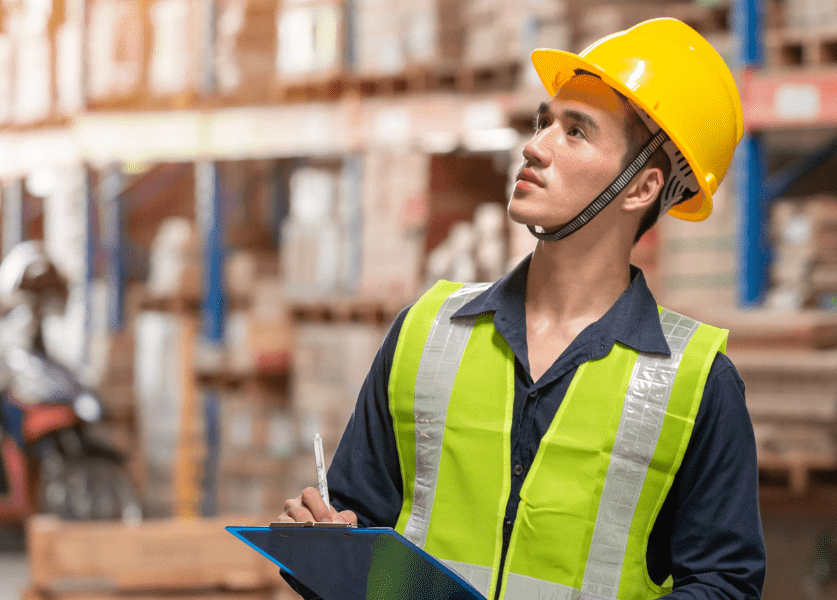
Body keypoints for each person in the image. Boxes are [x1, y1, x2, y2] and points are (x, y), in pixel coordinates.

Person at [277, 18, 766, 600]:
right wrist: (321, 547)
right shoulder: (427, 334)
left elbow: (725, 586)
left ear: (641, 188)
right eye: (545, 122)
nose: (535, 146)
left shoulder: (697, 384)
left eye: (576, 132)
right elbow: (358, 531)